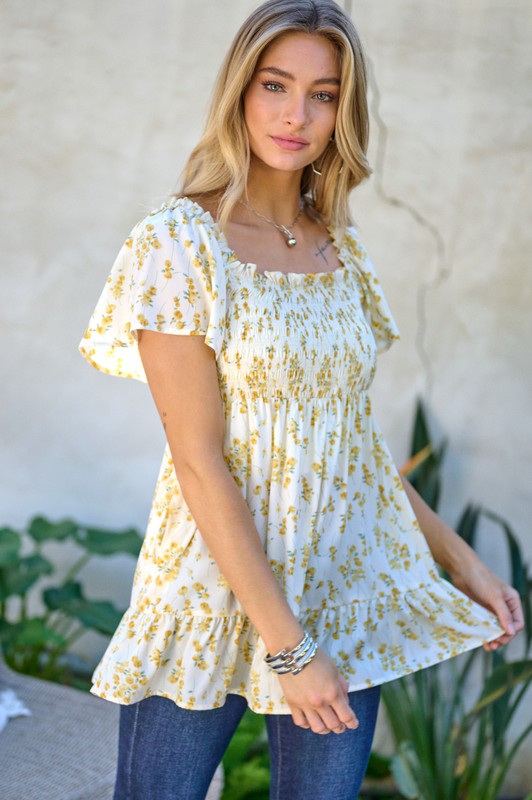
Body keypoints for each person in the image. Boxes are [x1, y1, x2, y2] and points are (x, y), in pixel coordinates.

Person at [79, 1, 524, 798]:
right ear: (239, 92)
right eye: (275, 84)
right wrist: (290, 650)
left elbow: (348, 452)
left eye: (324, 94)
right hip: (211, 594)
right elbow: (198, 460)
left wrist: (461, 563)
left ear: (343, 113)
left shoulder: (340, 252)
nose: (296, 114)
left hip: (340, 591)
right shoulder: (179, 243)